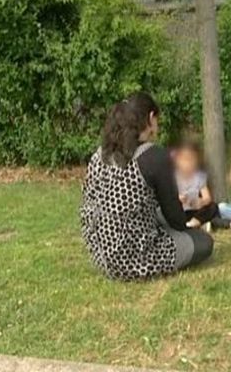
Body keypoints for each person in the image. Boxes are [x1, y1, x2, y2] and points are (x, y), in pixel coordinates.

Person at [80, 92, 213, 280]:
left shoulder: (100, 155)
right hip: (137, 258)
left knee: (156, 217)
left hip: (102, 256)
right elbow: (176, 220)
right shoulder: (153, 156)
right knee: (204, 242)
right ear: (151, 118)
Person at [173, 142, 218, 228]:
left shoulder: (199, 176)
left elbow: (207, 197)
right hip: (181, 210)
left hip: (194, 210)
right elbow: (168, 196)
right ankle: (198, 224)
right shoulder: (174, 177)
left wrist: (200, 202)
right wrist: (179, 198)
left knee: (213, 207)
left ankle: (193, 223)